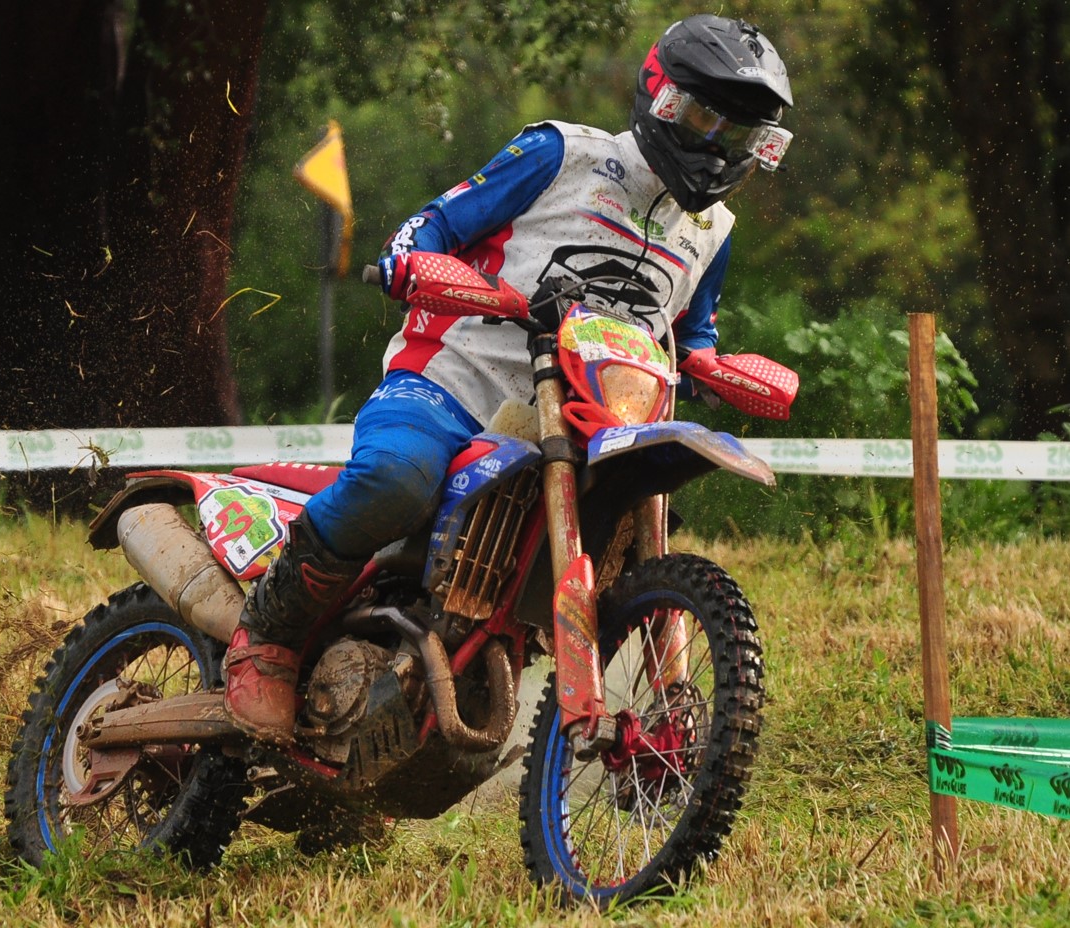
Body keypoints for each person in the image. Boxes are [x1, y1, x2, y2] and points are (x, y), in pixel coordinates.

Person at [224, 14, 795, 744]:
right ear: (662, 97)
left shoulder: (714, 232)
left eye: (740, 134)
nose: (717, 144)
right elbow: (434, 225)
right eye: (705, 117)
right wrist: (409, 261)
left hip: (587, 422)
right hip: (452, 382)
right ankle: (267, 636)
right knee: (395, 477)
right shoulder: (562, 153)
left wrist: (713, 366)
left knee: (631, 531)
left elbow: (691, 333)